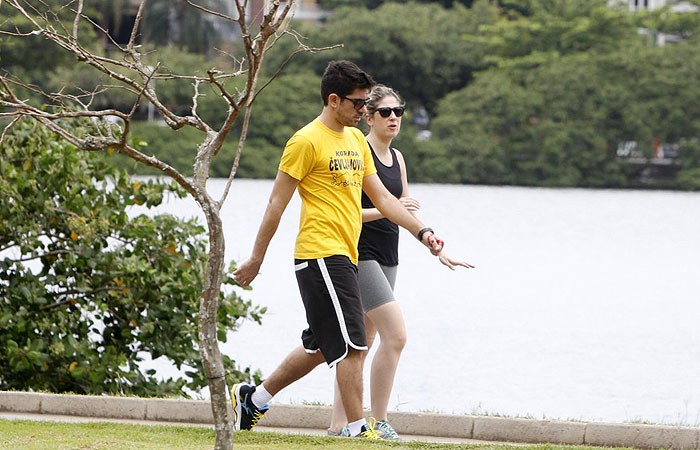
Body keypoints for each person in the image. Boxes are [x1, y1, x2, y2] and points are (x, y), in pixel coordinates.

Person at [229, 61, 446, 439]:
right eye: (358, 103)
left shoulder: (353, 142)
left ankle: (254, 398)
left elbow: (384, 198)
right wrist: (256, 259)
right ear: (333, 100)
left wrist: (423, 232)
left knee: (320, 345)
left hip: (345, 254)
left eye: (366, 103)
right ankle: (358, 429)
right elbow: (276, 204)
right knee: (354, 345)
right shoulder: (305, 141)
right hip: (319, 255)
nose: (365, 111)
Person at [326, 85, 474, 440]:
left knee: (359, 344)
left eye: (399, 112)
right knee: (396, 335)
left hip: (389, 254)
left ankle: (339, 425)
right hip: (358, 253)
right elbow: (346, 213)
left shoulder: (399, 158)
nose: (394, 118)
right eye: (385, 112)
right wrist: (388, 209)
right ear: (368, 116)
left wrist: (435, 247)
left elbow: (404, 212)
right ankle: (377, 423)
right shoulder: (356, 151)